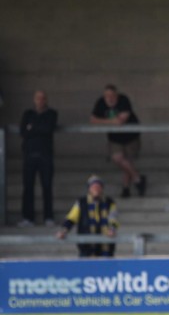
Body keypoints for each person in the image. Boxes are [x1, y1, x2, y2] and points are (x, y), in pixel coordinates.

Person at [90, 84, 146, 198]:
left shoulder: (123, 100)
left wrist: (104, 121)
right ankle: (138, 178)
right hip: (115, 138)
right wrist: (112, 121)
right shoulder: (100, 103)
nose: (110, 98)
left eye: (112, 96)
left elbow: (120, 121)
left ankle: (126, 188)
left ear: (116, 95)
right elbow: (93, 120)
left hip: (131, 136)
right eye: (107, 96)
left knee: (128, 161)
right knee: (118, 158)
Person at [18, 90, 58, 227]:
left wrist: (32, 128)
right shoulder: (28, 114)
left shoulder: (52, 114)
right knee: (28, 187)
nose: (40, 101)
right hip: (29, 155)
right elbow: (23, 131)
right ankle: (28, 218)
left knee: (46, 186)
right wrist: (36, 129)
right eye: (38, 98)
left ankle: (48, 217)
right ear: (34, 100)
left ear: (46, 100)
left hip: (45, 155)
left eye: (43, 98)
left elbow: (48, 129)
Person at [56, 175, 118, 257]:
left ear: (102, 189)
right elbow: (71, 218)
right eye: (93, 187)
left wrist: (112, 229)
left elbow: (113, 219)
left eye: (98, 187)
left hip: (105, 247)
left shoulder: (109, 203)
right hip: (86, 248)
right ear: (89, 189)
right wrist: (64, 230)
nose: (96, 189)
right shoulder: (81, 202)